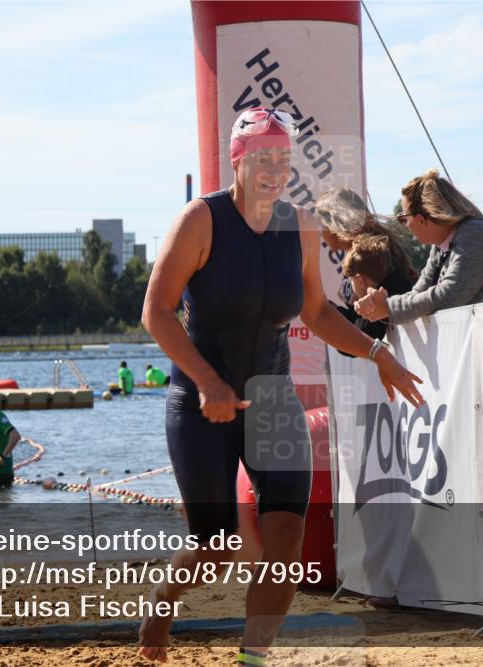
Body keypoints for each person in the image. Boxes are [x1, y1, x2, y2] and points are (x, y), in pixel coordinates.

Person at [139, 107, 424, 664]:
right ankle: (163, 601)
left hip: (271, 398)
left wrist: (375, 351)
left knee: (287, 542)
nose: (274, 169)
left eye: (282, 159)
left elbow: (315, 311)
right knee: (214, 549)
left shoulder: (299, 224)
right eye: (262, 158)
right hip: (202, 404)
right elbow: (156, 312)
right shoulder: (202, 220)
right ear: (238, 160)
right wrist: (207, 382)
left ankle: (253, 657)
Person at [354, 169, 483, 325]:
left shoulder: (475, 235)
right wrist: (382, 306)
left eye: (404, 219)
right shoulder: (443, 245)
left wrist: (388, 307)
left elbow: (449, 296)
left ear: (421, 219)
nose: (405, 225)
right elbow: (419, 293)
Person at [336, 234, 416, 347]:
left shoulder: (380, 300)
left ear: (360, 281)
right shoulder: (401, 283)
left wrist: (331, 312)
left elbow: (355, 340)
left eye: (351, 280)